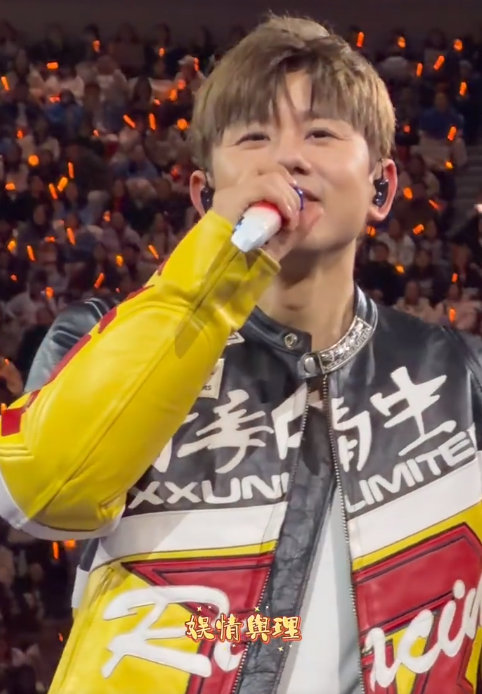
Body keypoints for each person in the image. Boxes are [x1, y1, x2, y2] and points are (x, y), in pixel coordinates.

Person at [0, 15, 481, 694]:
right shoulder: (101, 333)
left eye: (320, 133)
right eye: (254, 137)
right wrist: (216, 271)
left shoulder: (461, 376)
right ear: (205, 196)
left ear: (382, 187)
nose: (286, 159)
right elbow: (40, 492)